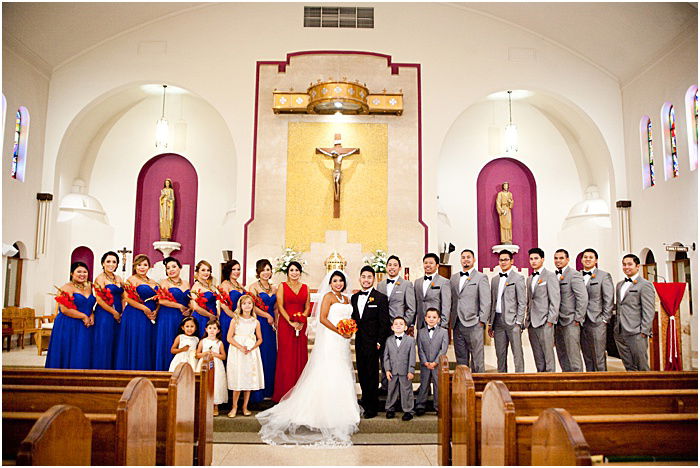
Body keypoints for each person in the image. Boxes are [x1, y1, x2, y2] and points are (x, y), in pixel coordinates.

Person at [256, 270, 361, 446]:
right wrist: (340, 331)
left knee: (342, 369)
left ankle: (343, 408)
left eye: (340, 281)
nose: (338, 284)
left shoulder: (346, 299)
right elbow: (322, 318)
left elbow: (348, 317)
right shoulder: (328, 297)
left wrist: (348, 330)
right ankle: (323, 410)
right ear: (330, 283)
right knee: (329, 369)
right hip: (332, 338)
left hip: (343, 341)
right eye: (335, 281)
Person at [351, 266, 391, 419]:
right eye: (363, 276)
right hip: (360, 341)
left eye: (369, 277)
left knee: (372, 373)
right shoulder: (354, 298)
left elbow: (384, 323)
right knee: (362, 372)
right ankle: (365, 399)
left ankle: (372, 406)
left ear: (373, 279)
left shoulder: (380, 298)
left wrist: (380, 341)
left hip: (374, 342)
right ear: (360, 279)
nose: (366, 280)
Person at [376, 255, 415, 392]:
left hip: (398, 327)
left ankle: (400, 386)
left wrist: (404, 325)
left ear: (399, 267)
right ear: (386, 267)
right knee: (385, 356)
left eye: (394, 265)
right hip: (383, 327)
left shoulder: (406, 285)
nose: (392, 267)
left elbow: (411, 308)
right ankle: (385, 384)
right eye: (389, 265)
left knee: (400, 357)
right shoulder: (380, 284)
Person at [272, 261, 310, 402]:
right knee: (286, 356)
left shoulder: (305, 287)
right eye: (292, 270)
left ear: (300, 272)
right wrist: (290, 322)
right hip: (286, 325)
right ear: (288, 272)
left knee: (300, 356)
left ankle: (299, 390)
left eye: (297, 270)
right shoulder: (282, 286)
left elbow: (307, 307)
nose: (294, 273)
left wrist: (301, 320)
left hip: (301, 324)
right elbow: (280, 306)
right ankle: (285, 390)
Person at [46, 261, 95, 369]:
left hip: (85, 324)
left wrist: (91, 315)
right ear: (72, 273)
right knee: (71, 350)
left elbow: (89, 305)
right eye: (79, 272)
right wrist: (83, 316)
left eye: (85, 272)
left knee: (83, 350)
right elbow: (64, 309)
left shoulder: (88, 287)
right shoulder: (66, 288)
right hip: (69, 323)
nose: (82, 274)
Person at [115, 254, 158, 370]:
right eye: (139, 265)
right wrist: (144, 308)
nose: (142, 267)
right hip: (135, 314)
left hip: (150, 316)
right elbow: (127, 298)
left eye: (145, 265)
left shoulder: (154, 282)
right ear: (135, 266)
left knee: (146, 342)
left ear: (149, 267)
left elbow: (159, 298)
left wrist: (156, 311)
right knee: (136, 340)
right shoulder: (131, 280)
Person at [449, 249, 490, 372]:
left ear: (474, 260)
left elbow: (486, 301)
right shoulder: (454, 278)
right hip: (457, 323)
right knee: (461, 358)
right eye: (463, 257)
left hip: (474, 323)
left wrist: (481, 321)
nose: (465, 259)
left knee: (477, 359)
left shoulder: (481, 277)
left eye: (468, 257)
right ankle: (463, 388)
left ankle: (479, 387)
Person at [614, 254, 655, 372]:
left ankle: (647, 389)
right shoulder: (619, 285)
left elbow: (648, 310)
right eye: (624, 264)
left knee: (642, 366)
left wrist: (644, 331)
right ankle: (633, 389)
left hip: (637, 332)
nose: (626, 267)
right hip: (620, 331)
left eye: (630, 264)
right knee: (629, 366)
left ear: (638, 266)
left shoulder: (645, 285)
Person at [488, 250, 527, 372]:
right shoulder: (494, 280)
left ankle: (519, 380)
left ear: (511, 261)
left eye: (506, 260)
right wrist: (491, 323)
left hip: (513, 321)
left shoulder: (518, 278)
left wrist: (519, 322)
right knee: (500, 354)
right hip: (498, 321)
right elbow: (493, 302)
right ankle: (502, 380)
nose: (503, 262)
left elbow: (522, 301)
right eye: (501, 260)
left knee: (517, 354)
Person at [227, 294, 264, 417]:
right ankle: (234, 407)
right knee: (238, 379)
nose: (247, 306)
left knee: (248, 379)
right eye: (244, 304)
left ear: (253, 305)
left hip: (251, 352)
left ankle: (245, 407)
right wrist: (240, 347)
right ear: (240, 306)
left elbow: (260, 339)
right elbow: (229, 338)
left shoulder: (255, 322)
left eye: (249, 303)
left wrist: (252, 347)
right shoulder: (235, 320)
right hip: (238, 352)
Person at [247, 259, 278, 403]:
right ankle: (257, 392)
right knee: (260, 354)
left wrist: (275, 320)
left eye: (268, 269)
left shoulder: (274, 288)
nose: (266, 272)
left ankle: (270, 390)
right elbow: (251, 306)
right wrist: (267, 316)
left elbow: (276, 307)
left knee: (271, 355)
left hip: (271, 326)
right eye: (263, 270)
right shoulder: (253, 287)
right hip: (259, 324)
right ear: (258, 271)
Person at [579, 248, 614, 371]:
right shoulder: (577, 275)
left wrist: (605, 319)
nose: (587, 259)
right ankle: (589, 384)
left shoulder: (604, 276)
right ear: (582, 259)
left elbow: (608, 298)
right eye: (585, 257)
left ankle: (602, 385)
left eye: (590, 257)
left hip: (597, 321)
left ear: (596, 260)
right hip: (581, 322)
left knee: (598, 356)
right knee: (587, 356)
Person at [553, 249, 588, 372]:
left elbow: (582, 298)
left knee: (573, 355)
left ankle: (578, 384)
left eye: (561, 258)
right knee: (562, 354)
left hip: (571, 321)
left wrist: (578, 318)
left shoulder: (574, 274)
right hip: (557, 322)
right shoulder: (553, 275)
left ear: (567, 259)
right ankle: (566, 381)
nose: (558, 261)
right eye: (556, 258)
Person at [526, 248, 561, 373]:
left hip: (545, 321)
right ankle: (540, 378)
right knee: (537, 355)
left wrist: (550, 320)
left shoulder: (550, 276)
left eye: (536, 258)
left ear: (542, 259)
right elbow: (530, 300)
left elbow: (555, 299)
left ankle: (551, 381)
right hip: (532, 323)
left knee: (548, 355)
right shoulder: (529, 278)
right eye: (531, 259)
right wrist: (527, 319)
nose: (533, 261)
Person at [155, 256, 191, 371]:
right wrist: (179, 306)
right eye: (168, 268)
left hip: (182, 317)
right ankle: (165, 371)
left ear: (180, 268)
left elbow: (189, 300)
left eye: (174, 267)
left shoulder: (186, 283)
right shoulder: (164, 283)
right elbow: (161, 300)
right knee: (168, 341)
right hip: (167, 317)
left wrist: (189, 309)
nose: (171, 270)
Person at [92, 252, 123, 369]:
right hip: (105, 313)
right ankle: (102, 369)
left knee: (116, 341)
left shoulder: (118, 278)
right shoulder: (100, 278)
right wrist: (114, 312)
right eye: (108, 261)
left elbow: (123, 296)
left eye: (114, 262)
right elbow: (99, 300)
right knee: (105, 341)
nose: (111, 264)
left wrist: (122, 312)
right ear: (103, 263)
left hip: (118, 313)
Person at [415, 308, 449, 415]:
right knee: (424, 384)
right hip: (425, 364)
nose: (431, 319)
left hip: (437, 364)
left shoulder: (443, 332)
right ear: (425, 318)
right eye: (429, 317)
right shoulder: (421, 332)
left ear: (439, 319)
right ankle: (420, 405)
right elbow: (420, 349)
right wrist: (425, 362)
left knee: (438, 385)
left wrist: (435, 362)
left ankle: (439, 406)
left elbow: (443, 349)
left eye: (434, 317)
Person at [384, 316, 416, 421]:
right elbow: (386, 356)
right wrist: (387, 370)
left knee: (406, 390)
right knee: (391, 389)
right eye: (396, 324)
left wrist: (411, 370)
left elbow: (412, 356)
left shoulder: (410, 340)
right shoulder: (389, 340)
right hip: (393, 370)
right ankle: (390, 409)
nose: (398, 325)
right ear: (392, 327)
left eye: (401, 324)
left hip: (405, 370)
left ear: (406, 327)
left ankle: (408, 410)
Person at [196, 319, 227, 415]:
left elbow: (223, 356)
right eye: (210, 328)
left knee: (216, 383)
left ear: (218, 330)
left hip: (216, 365)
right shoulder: (203, 341)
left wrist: (215, 354)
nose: (212, 330)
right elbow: (197, 355)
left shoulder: (219, 343)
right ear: (206, 329)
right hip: (204, 363)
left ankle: (215, 405)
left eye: (214, 328)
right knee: (204, 383)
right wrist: (205, 353)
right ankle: (204, 405)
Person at [414, 253, 451, 329]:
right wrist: (412, 323)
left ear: (437, 265)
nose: (428, 265)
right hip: (421, 323)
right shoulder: (417, 282)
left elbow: (446, 305)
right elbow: (415, 304)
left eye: (431, 263)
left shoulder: (444, 282)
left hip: (437, 323)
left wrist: (443, 324)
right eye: (425, 263)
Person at [218, 260, 246, 349]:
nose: (237, 272)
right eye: (234, 269)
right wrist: (235, 316)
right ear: (228, 270)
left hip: (239, 318)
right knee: (228, 343)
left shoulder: (239, 285)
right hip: (228, 317)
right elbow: (223, 305)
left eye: (238, 269)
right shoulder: (225, 284)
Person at [190, 260, 218, 335]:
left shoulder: (208, 285)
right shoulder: (196, 286)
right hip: (202, 317)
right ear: (197, 272)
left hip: (212, 317)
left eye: (208, 270)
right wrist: (210, 315)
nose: (206, 273)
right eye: (203, 270)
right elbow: (195, 307)